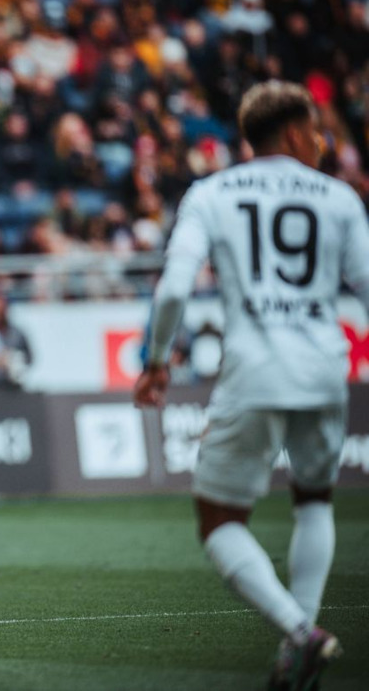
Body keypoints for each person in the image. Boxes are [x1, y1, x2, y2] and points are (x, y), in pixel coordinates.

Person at [133, 81, 369, 690]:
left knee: (219, 519)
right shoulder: (339, 197)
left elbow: (175, 289)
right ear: (293, 132)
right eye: (315, 130)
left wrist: (157, 360)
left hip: (255, 368)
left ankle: (300, 633)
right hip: (326, 367)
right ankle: (300, 649)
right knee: (314, 500)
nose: (321, 142)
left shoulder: (212, 193)